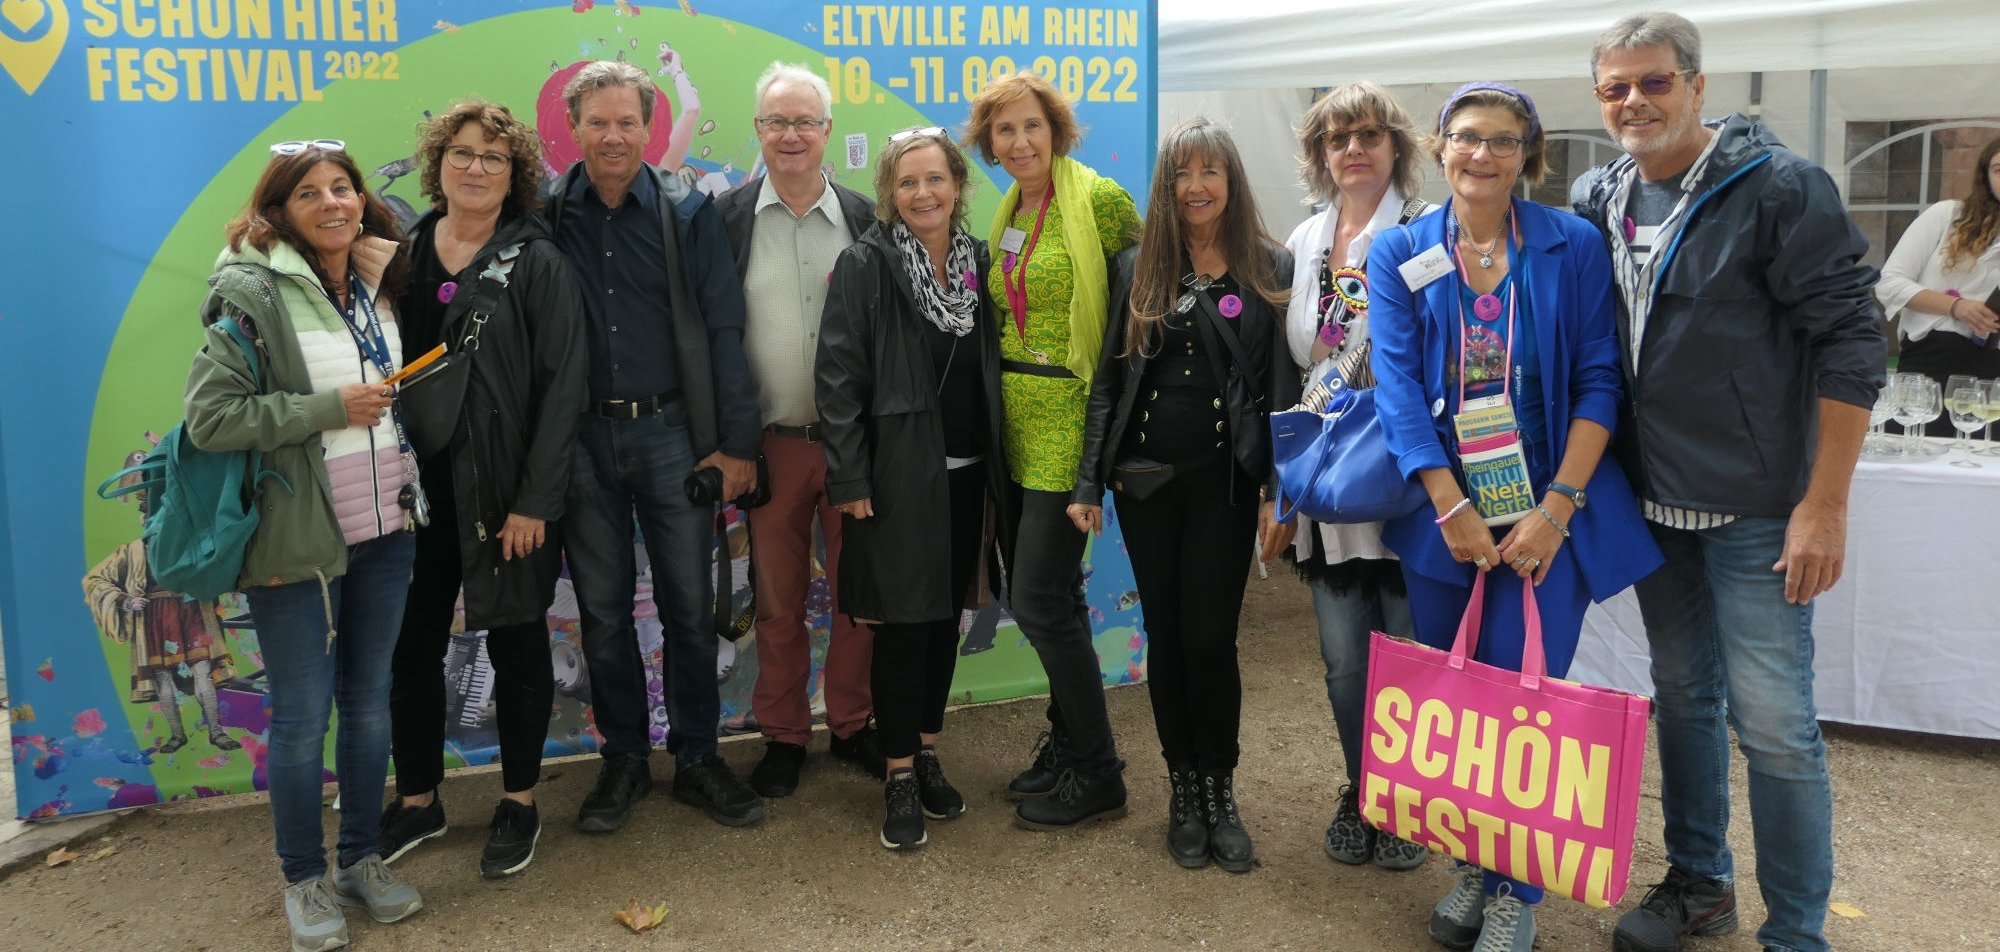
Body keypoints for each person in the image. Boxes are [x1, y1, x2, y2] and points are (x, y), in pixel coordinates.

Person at [1571, 14, 1885, 952]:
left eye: (1655, 82)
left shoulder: (1779, 187)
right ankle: (1700, 883)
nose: (1634, 101)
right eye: (1615, 87)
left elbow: (1852, 340)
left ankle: (1795, 933)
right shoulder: (1597, 195)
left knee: (1775, 725)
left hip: (1756, 508)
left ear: (1698, 86)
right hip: (1651, 503)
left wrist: (1824, 505)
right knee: (1681, 695)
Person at [1369, 83, 1662, 952]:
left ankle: (1515, 893)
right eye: (1467, 137)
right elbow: (1396, 389)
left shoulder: (1572, 244)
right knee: (1458, 704)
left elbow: (1600, 380)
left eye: (1503, 140)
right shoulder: (1401, 251)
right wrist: (1451, 504)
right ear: (1440, 146)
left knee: (1524, 706)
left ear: (1528, 153)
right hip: (1444, 515)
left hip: (1549, 511)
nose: (1483, 155)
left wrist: (1558, 507)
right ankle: (1474, 865)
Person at [183, 140, 424, 952]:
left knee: (368, 702)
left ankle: (358, 858)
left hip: (385, 529)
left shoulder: (377, 280)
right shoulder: (250, 292)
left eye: (343, 187)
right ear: (279, 210)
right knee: (299, 717)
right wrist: (327, 408)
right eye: (310, 192)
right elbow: (212, 418)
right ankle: (303, 878)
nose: (333, 203)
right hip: (295, 542)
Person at [1069, 117, 1300, 872]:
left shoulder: (1269, 263)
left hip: (1224, 486)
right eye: (1181, 174)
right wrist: (1088, 481)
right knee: (1165, 638)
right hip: (1145, 487)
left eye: (1209, 172)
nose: (1195, 187)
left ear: (1231, 181)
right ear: (1165, 187)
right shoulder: (1138, 266)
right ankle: (1184, 790)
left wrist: (1276, 489)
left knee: (1209, 639)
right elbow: (1110, 382)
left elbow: (1280, 388)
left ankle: (1221, 788)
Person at [542, 60, 765, 834]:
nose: (613, 135)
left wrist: (736, 445)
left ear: (650, 127)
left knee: (689, 612)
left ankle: (698, 758)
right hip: (582, 442)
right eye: (598, 121)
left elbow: (725, 328)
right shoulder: (546, 216)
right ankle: (625, 760)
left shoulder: (687, 212)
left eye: (628, 121)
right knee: (603, 615)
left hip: (673, 435)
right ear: (574, 127)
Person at [376, 100, 587, 879]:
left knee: (517, 644)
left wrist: (535, 501)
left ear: (514, 173)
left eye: (493, 157)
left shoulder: (538, 262)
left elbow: (564, 389)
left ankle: (519, 801)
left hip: (504, 490)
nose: (475, 168)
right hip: (411, 490)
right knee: (410, 645)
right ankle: (420, 798)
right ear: (438, 164)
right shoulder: (399, 256)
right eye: (461, 153)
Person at [815, 126, 1008, 850]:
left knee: (944, 620)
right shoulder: (865, 265)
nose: (923, 193)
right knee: (903, 628)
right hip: (895, 480)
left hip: (969, 478)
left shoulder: (980, 264)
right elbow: (837, 380)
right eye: (908, 182)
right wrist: (850, 476)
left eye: (935, 179)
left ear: (957, 186)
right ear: (890, 194)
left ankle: (926, 748)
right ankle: (896, 773)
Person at [961, 69, 1142, 830]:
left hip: (1071, 419)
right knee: (1057, 597)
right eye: (1004, 130)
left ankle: (1098, 770)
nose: (1019, 141)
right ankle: (1070, 746)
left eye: (1031, 125)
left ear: (1056, 129)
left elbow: (1139, 297)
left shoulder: (1099, 200)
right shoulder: (1007, 209)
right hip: (1014, 421)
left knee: (1036, 598)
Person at [716, 62, 886, 798]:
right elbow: (707, 336)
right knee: (778, 602)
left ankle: (851, 724)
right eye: (777, 121)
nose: (791, 135)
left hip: (854, 449)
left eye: (805, 121)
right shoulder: (722, 220)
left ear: (828, 130)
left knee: (859, 596)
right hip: (769, 449)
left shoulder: (866, 217)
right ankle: (784, 734)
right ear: (758, 130)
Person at [1278, 80, 1434, 873]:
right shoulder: (1304, 239)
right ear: (1320, 153)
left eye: (1369, 134)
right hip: (1331, 483)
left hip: (1406, 477)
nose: (1354, 150)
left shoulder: (1427, 230)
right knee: (1345, 661)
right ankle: (1362, 788)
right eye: (1337, 138)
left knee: (1410, 653)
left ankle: (1411, 802)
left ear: (1396, 146)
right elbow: (1292, 362)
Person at [1875, 134, 2000, 433]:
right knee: (1915, 446)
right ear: (1986, 175)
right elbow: (1889, 283)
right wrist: (1957, 307)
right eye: (1999, 170)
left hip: (1994, 370)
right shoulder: (1947, 216)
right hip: (1930, 361)